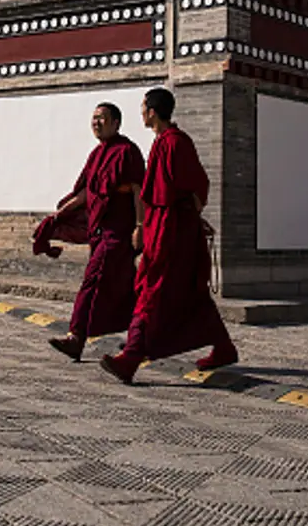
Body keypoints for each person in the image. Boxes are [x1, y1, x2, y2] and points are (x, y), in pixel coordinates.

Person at [99, 87, 238, 385]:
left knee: (152, 289)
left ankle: (132, 357)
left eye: (143, 108)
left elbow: (198, 185)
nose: (141, 113)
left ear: (152, 111)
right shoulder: (162, 142)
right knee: (188, 292)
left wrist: (189, 218)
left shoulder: (176, 143)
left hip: (173, 232)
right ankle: (224, 347)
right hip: (164, 225)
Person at [41, 103, 147, 362]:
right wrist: (60, 213)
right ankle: (139, 339)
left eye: (102, 118)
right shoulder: (97, 155)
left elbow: (138, 191)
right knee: (124, 288)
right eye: (94, 118)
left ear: (116, 123)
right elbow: (88, 192)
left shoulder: (128, 152)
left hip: (118, 231)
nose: (96, 123)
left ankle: (76, 337)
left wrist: (140, 227)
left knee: (93, 282)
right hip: (100, 231)